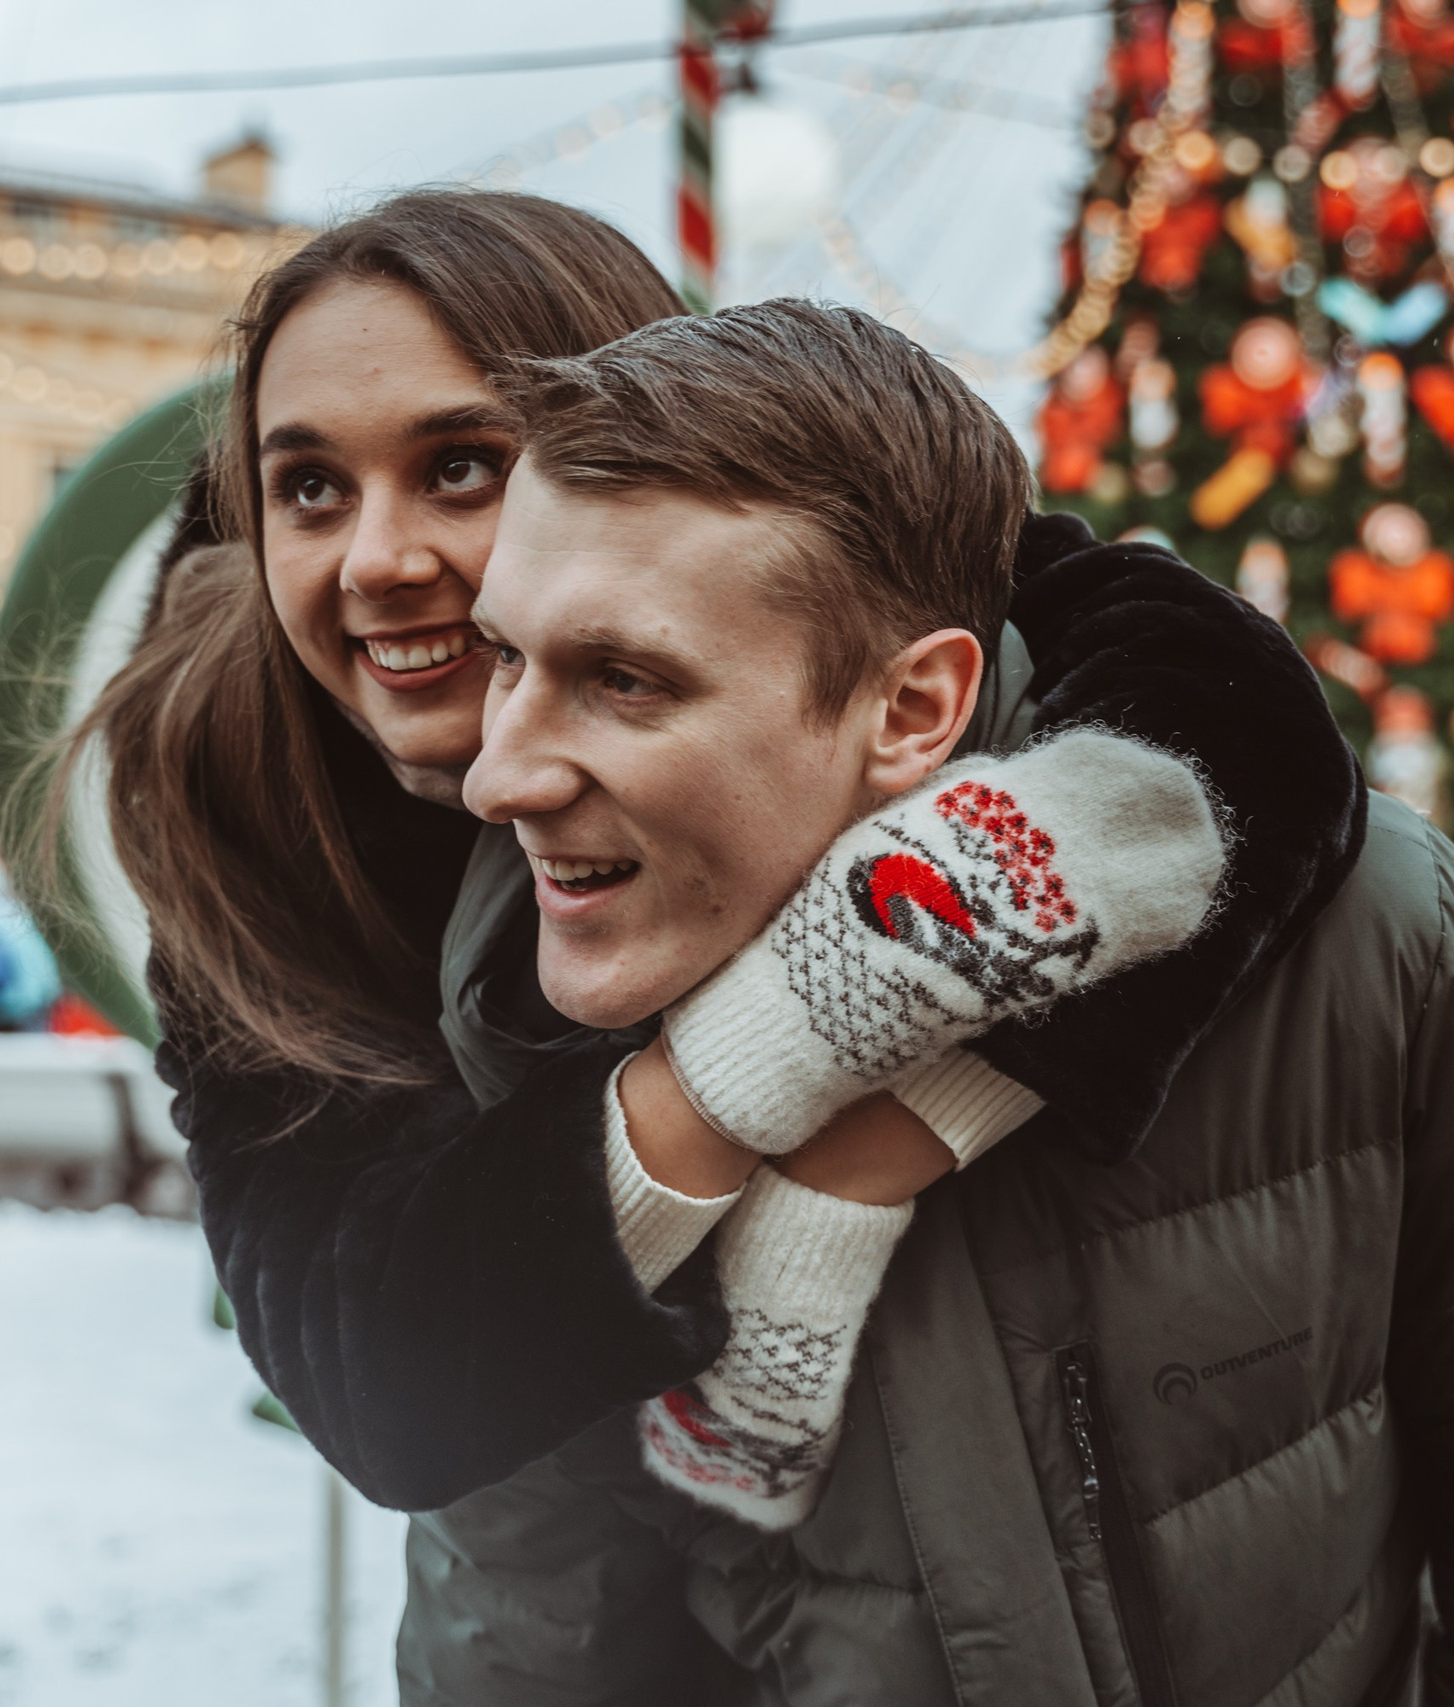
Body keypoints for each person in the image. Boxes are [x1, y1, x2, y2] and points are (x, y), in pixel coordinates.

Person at [401, 298, 1454, 1701]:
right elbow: (528, 1649)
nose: (500, 774)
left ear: (911, 710)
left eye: (622, 678)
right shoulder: (523, 1048)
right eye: (507, 658)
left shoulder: (1370, 945)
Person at [71, 186, 1366, 1529]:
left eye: (461, 463)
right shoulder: (244, 821)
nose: (380, 560)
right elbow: (378, 1376)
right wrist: (788, 1043)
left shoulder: (817, 555)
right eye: (311, 488)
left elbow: (1231, 721)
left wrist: (906, 1118)